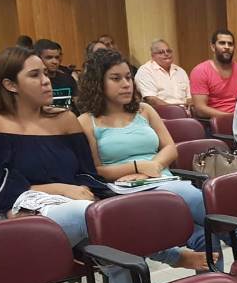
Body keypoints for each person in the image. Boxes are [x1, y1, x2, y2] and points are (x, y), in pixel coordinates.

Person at [0, 47, 135, 283]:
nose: (46, 80)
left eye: (45, 73)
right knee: (102, 219)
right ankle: (172, 259)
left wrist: (100, 190)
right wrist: (59, 188)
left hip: (77, 207)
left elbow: (86, 173)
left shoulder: (65, 119)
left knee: (119, 223)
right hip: (24, 217)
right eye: (35, 75)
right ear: (10, 85)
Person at [76, 48, 211, 270]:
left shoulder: (144, 110)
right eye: (116, 78)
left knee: (206, 233)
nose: (126, 84)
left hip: (160, 178)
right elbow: (96, 169)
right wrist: (138, 166)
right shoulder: (86, 121)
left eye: (128, 77)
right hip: (124, 190)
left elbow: (170, 148)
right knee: (188, 195)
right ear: (97, 83)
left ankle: (216, 281)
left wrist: (153, 166)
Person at [190, 29, 237, 122]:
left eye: (230, 44)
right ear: (213, 47)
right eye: (222, 43)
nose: (227, 47)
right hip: (212, 124)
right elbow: (200, 109)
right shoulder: (200, 71)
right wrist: (230, 118)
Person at [135, 39, 191, 108]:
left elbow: (190, 97)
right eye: (161, 52)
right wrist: (176, 110)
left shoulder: (180, 71)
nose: (166, 54)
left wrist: (189, 108)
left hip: (186, 111)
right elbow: (151, 100)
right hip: (160, 112)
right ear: (153, 56)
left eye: (168, 51)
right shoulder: (145, 71)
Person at [33, 39, 79, 113]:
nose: (55, 62)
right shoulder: (34, 82)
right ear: (38, 58)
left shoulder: (68, 79)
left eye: (57, 57)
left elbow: (79, 105)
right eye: (49, 58)